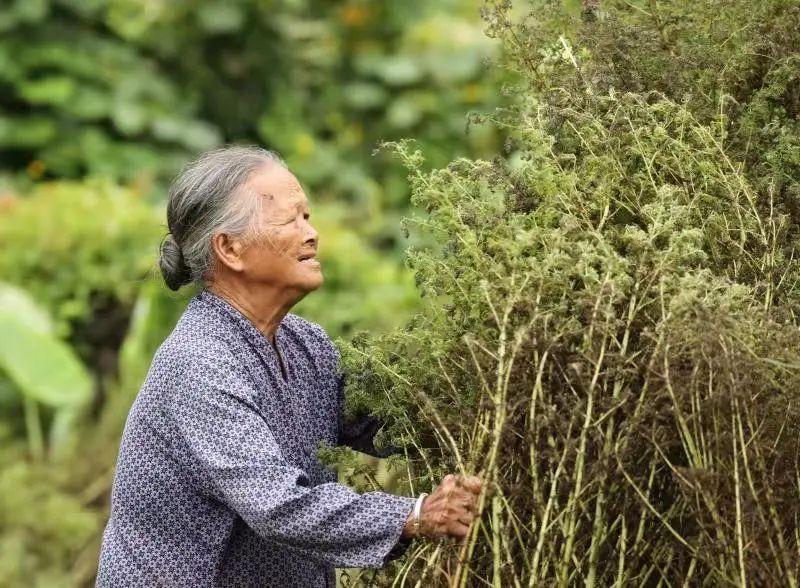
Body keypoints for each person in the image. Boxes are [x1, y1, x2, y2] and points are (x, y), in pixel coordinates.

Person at [96, 146, 483, 587]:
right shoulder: (200, 363)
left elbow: (389, 422)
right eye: (290, 221)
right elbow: (277, 505)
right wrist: (416, 515)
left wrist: (471, 405)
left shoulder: (306, 344)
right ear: (230, 248)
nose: (312, 233)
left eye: (308, 217)